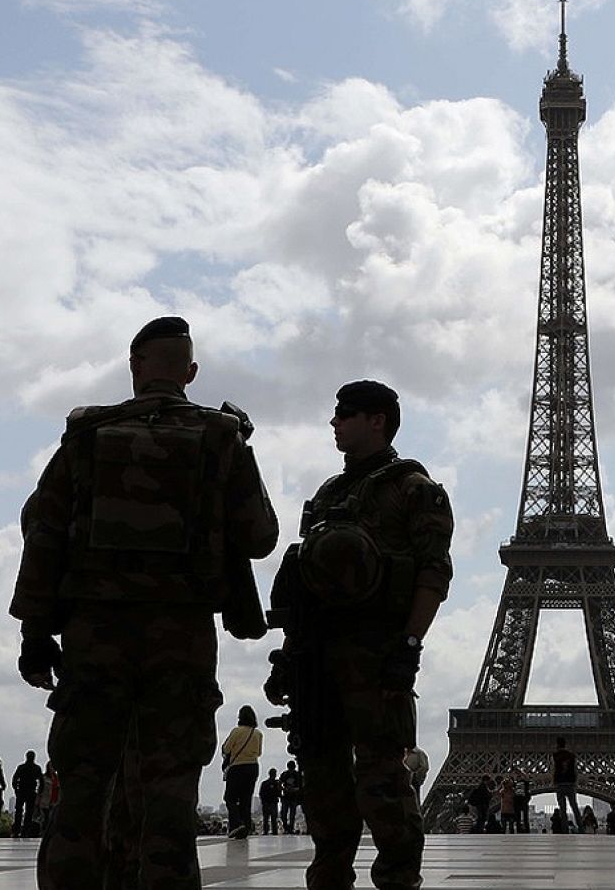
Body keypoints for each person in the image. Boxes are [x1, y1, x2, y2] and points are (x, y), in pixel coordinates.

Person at [12, 316, 280, 888]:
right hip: (181, 637)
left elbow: (43, 532)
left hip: (94, 632)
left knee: (81, 794)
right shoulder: (221, 435)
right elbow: (260, 536)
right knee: (169, 799)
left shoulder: (87, 434)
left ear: (134, 364)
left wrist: (35, 632)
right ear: (191, 372)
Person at [263, 380, 454, 890]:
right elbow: (307, 581)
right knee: (323, 781)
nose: (335, 422)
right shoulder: (330, 493)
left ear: (378, 420)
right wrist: (288, 657)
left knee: (383, 779)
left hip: (377, 653)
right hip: (318, 655)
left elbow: (433, 573)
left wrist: (409, 646)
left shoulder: (414, 488)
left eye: (346, 413)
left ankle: (398, 880)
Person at [222, 706, 263, 840]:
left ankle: (237, 824)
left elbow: (226, 749)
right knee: (246, 799)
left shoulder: (237, 731)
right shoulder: (258, 733)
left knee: (230, 798)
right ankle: (245, 828)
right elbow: (259, 752)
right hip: (253, 767)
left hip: (238, 767)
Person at [551, 738, 582, 833]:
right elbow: (575, 770)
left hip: (560, 784)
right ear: (565, 745)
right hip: (570, 784)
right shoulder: (572, 756)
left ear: (557, 745)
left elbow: (553, 769)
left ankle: (565, 830)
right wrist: (575, 782)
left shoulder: (554, 756)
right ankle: (581, 827)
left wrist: (553, 782)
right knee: (574, 806)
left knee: (562, 809)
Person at [11, 751, 44, 839]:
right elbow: (41, 782)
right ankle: (25, 831)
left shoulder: (21, 767)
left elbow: (14, 779)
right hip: (31, 792)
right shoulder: (36, 768)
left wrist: (16, 790)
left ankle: (17, 831)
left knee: (19, 812)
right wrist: (39, 792)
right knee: (28, 813)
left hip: (22, 791)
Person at [279, 761, 303, 835]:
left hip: (294, 797)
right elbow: (279, 784)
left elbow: (301, 786)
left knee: (292, 814)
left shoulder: (297, 775)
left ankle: (291, 828)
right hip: (286, 797)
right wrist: (284, 789)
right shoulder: (284, 774)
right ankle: (286, 827)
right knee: (283, 814)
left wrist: (295, 789)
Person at [259, 768, 282, 836]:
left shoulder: (265, 783)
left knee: (267, 818)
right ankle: (273, 831)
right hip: (272, 802)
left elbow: (261, 793)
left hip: (269, 802)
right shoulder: (275, 783)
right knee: (272, 818)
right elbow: (279, 793)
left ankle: (267, 831)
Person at [37, 763, 59, 834]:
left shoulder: (57, 778)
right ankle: (43, 831)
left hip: (54, 800)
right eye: (51, 767)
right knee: (46, 817)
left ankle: (49, 832)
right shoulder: (44, 777)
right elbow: (40, 789)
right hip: (45, 800)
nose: (52, 768)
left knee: (52, 817)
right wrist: (38, 800)